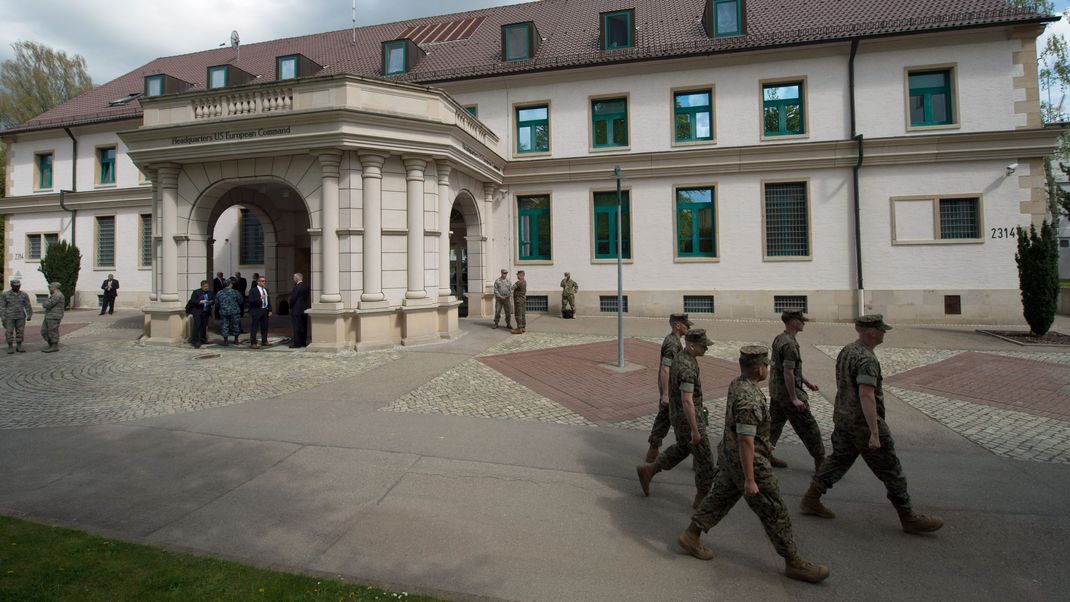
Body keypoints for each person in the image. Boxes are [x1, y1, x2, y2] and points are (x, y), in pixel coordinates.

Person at [677, 346, 829, 584]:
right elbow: (746, 441)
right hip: (749, 463)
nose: (767, 369)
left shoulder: (738, 383)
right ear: (759, 368)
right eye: (766, 365)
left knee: (721, 498)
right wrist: (750, 479)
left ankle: (691, 534)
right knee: (774, 510)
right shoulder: (749, 398)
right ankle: (793, 561)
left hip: (730, 457)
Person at [800, 314, 944, 535]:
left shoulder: (848, 350)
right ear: (871, 332)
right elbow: (866, 395)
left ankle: (811, 498)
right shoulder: (866, 359)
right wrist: (875, 433)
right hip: (863, 425)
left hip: (844, 419)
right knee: (891, 471)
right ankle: (908, 517)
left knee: (838, 461)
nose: (884, 333)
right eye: (882, 330)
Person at [636, 328, 718, 510]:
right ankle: (702, 499)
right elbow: (687, 400)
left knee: (682, 449)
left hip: (680, 416)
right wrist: (695, 430)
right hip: (688, 419)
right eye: (703, 346)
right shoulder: (687, 367)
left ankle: (649, 470)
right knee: (705, 461)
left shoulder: (683, 358)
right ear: (691, 345)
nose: (706, 349)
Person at [768, 310, 825, 471]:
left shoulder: (780, 338)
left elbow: (790, 370)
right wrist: (794, 398)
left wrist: (807, 383)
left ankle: (765, 454)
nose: (803, 323)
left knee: (773, 426)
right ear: (793, 322)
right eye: (801, 320)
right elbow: (788, 372)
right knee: (810, 428)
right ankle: (820, 461)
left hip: (778, 393)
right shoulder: (790, 345)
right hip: (787, 395)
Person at [644, 313, 692, 462]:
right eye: (686, 325)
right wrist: (665, 394)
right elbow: (665, 368)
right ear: (678, 325)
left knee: (665, 418)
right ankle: (699, 457)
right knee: (682, 419)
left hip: (673, 388)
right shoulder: (672, 343)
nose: (688, 328)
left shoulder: (675, 341)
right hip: (671, 389)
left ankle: (653, 450)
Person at [2, 278, 33, 354]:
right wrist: (3, 317)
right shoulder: (5, 294)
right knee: (9, 332)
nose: (17, 287)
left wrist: (29, 315)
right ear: (11, 285)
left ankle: (19, 345)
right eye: (15, 286)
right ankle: (10, 346)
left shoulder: (24, 294)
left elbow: (27, 305)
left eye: (18, 286)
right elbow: (2, 307)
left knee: (20, 331)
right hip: (9, 316)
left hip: (20, 316)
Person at [185, 280, 214, 348]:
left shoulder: (210, 292)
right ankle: (195, 341)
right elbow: (192, 300)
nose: (206, 288)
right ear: (201, 286)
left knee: (204, 326)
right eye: (204, 286)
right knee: (197, 326)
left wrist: (210, 302)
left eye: (207, 286)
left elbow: (213, 299)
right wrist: (200, 301)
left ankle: (203, 339)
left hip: (206, 312)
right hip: (197, 312)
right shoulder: (196, 292)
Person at [215, 278, 243, 346]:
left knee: (225, 325)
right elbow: (241, 301)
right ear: (230, 284)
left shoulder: (219, 292)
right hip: (234, 311)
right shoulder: (235, 292)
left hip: (224, 311)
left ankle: (226, 341)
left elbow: (216, 303)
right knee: (236, 325)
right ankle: (236, 340)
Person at [40, 282, 65, 353]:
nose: (49, 289)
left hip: (54, 316)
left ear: (53, 288)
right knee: (44, 331)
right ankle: (51, 344)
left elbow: (47, 304)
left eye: (50, 287)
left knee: (52, 331)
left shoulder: (57, 295)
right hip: (50, 316)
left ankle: (54, 346)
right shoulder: (54, 295)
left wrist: (45, 303)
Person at [248, 275, 272, 349]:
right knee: (254, 327)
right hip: (256, 310)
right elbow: (251, 301)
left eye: (264, 281)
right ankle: (253, 343)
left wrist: (270, 310)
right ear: (258, 282)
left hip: (265, 310)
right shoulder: (253, 290)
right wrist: (260, 298)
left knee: (265, 326)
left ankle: (264, 341)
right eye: (262, 281)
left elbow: (268, 301)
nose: (264, 282)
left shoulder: (266, 290)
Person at [288, 273, 310, 348]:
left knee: (297, 327)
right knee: (303, 326)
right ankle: (303, 342)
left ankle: (297, 343)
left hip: (296, 310)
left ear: (297, 279)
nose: (293, 279)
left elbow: (293, 298)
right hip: (304, 309)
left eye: (294, 278)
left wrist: (290, 306)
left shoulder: (297, 287)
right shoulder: (306, 286)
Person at [511, 270, 527, 334]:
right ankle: (523, 327)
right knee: (522, 314)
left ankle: (519, 329)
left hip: (518, 301)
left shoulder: (519, 282)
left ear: (521, 275)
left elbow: (512, 288)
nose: (517, 276)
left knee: (518, 314)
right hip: (522, 300)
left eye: (518, 275)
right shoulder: (524, 281)